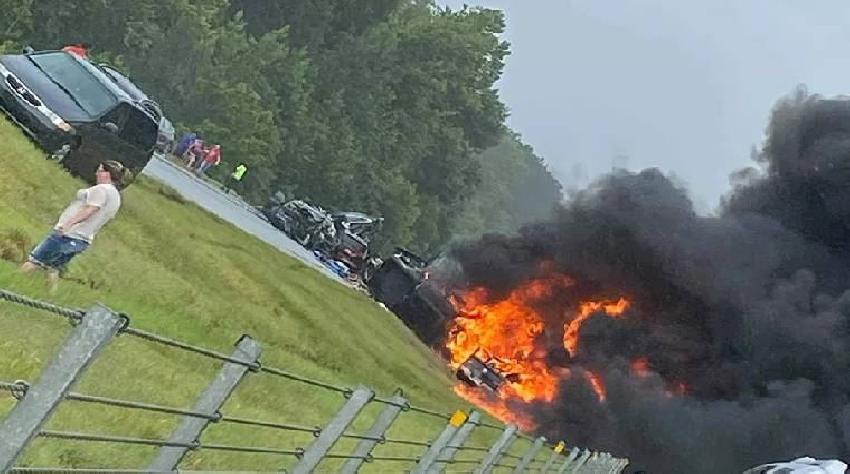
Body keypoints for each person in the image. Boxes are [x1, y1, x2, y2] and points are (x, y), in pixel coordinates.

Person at [21, 161, 125, 290]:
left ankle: (12, 282)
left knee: (35, 260)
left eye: (99, 171)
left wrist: (68, 224)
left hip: (69, 234)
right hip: (84, 238)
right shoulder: (116, 197)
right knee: (53, 267)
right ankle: (50, 294)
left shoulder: (101, 190)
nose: (96, 173)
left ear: (107, 174)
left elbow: (90, 209)